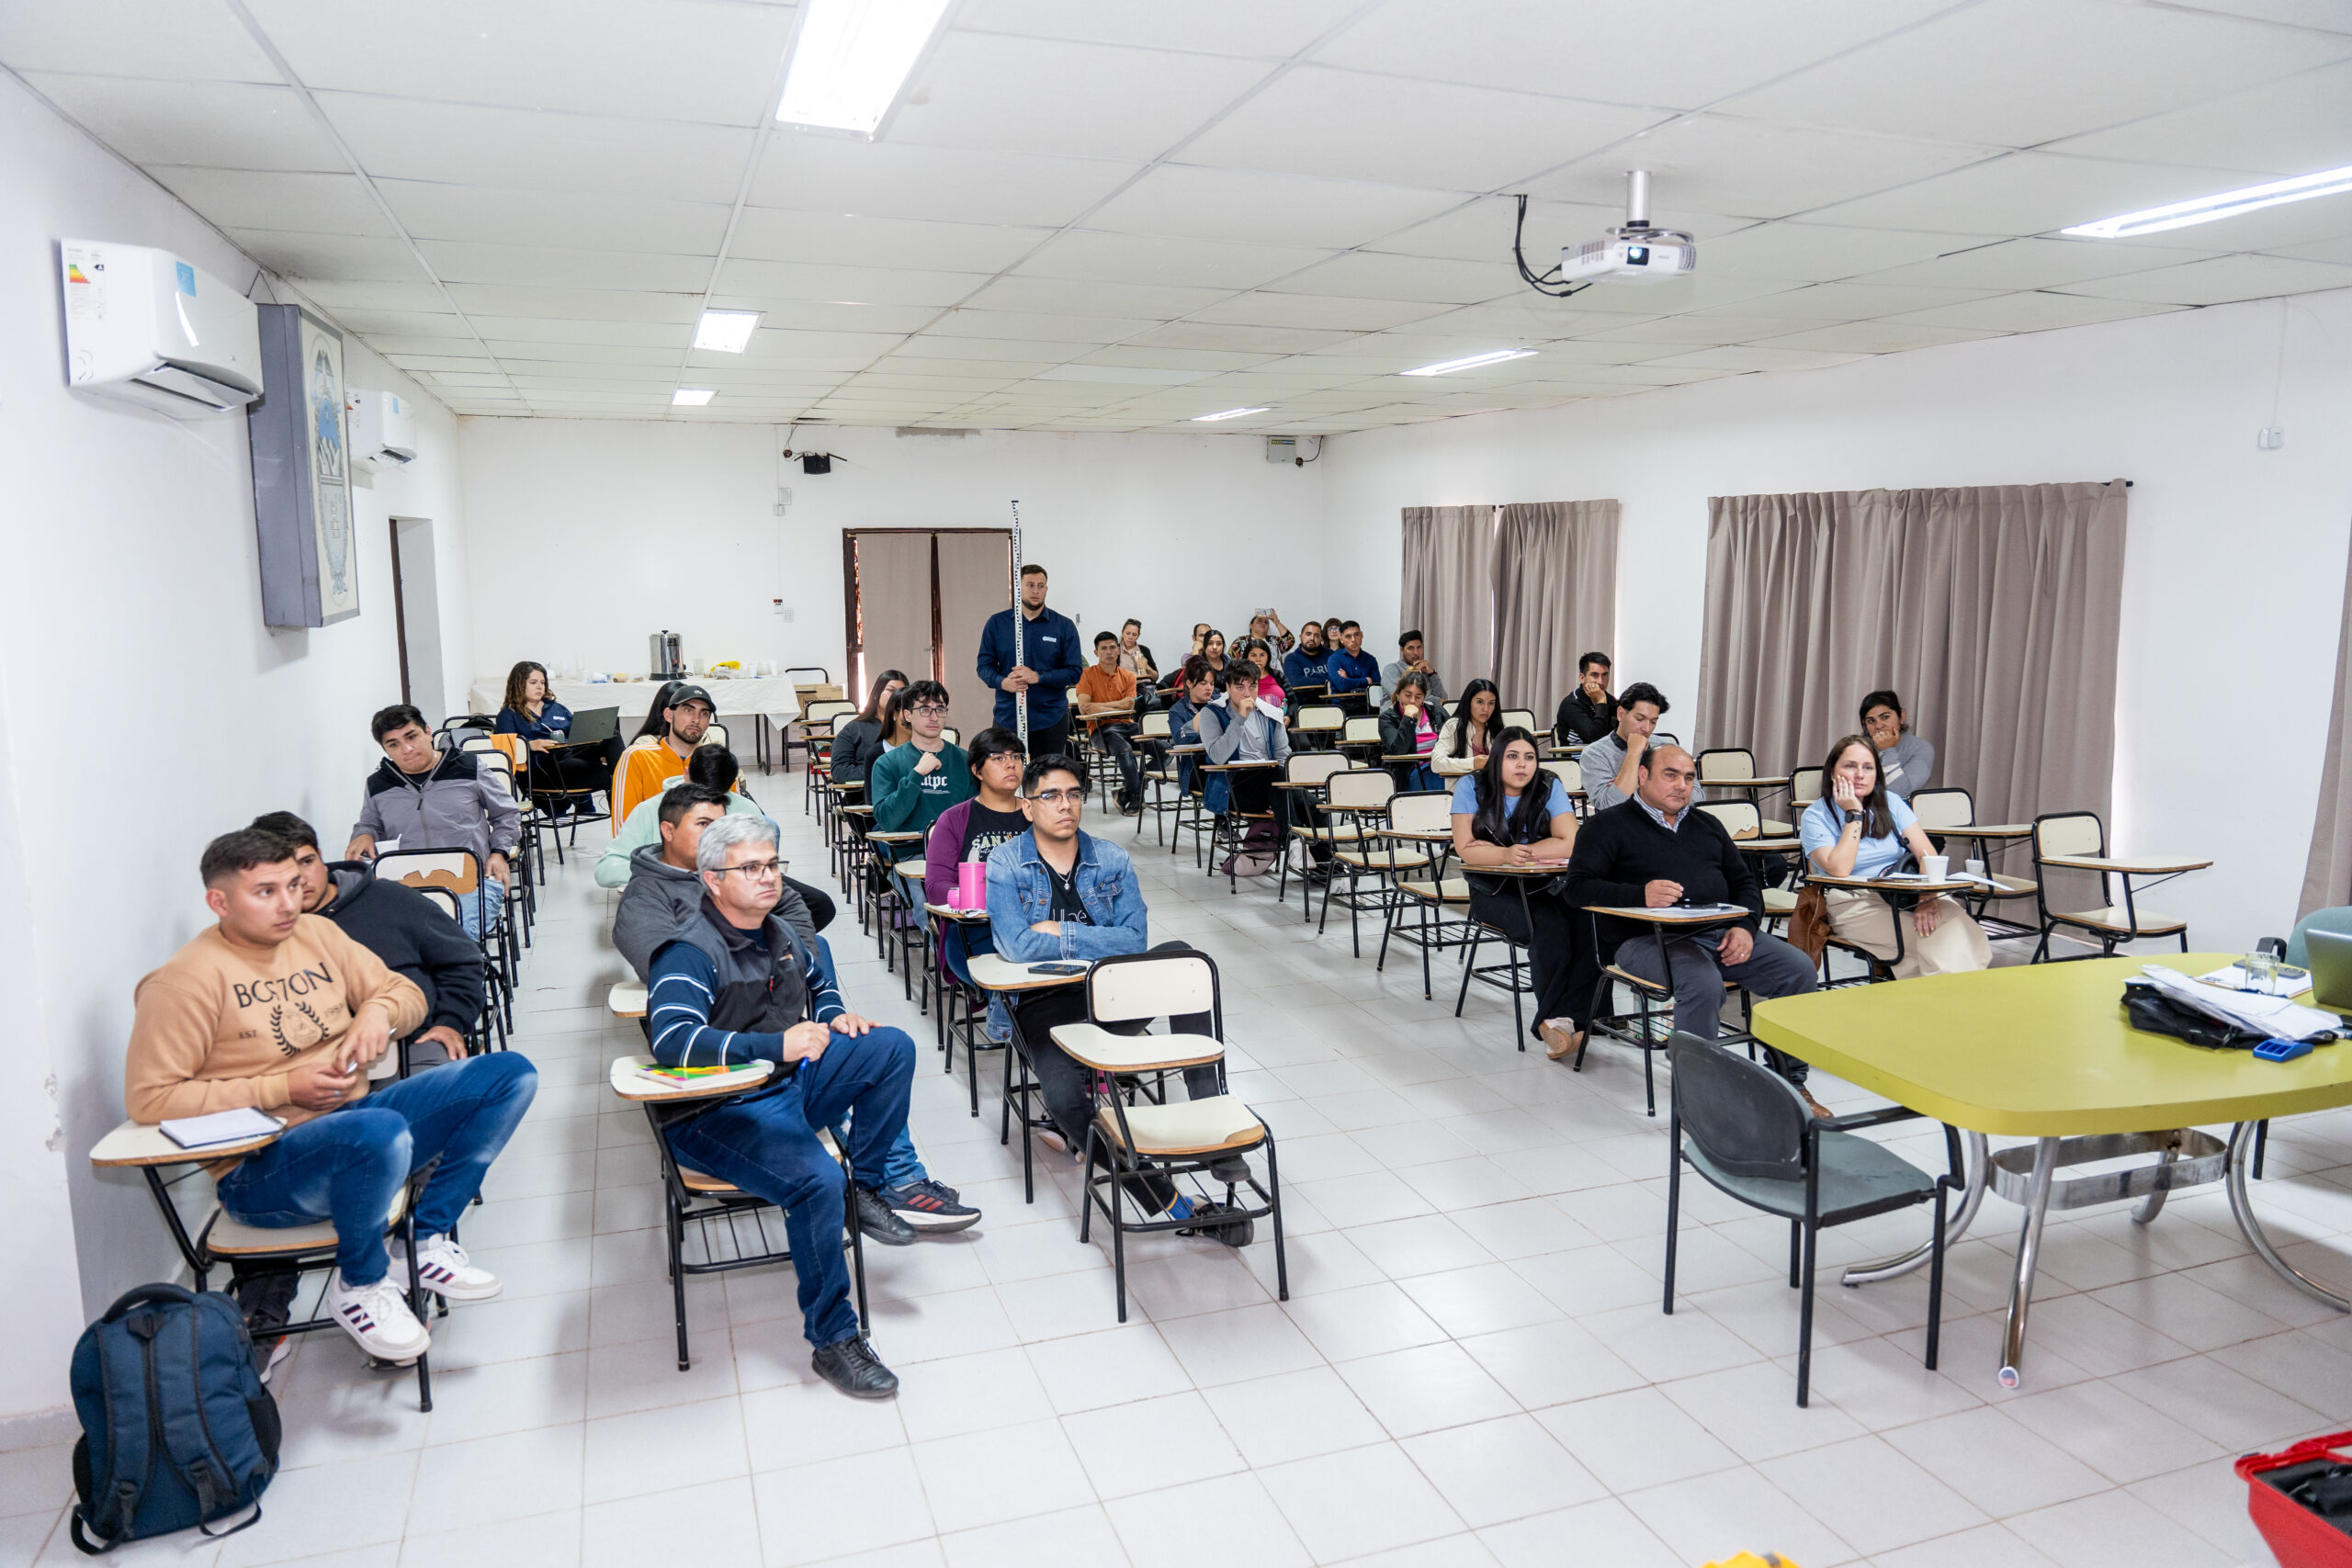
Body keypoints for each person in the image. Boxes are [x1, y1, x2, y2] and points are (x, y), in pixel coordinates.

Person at [128, 829, 537, 1362]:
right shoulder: (182, 982)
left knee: (508, 1074)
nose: (288, 903)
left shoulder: (317, 934)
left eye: (292, 885)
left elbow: (405, 992)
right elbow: (151, 1098)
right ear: (219, 902)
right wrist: (283, 1088)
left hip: (358, 1125)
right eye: (266, 891)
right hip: (261, 1169)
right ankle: (360, 1285)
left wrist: (378, 1012)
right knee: (375, 1131)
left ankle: (421, 1241)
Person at [642, 817, 914, 1397]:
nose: (768, 878)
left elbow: (821, 984)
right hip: (714, 1113)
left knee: (890, 1047)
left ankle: (863, 1188)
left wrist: (835, 1016)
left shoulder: (779, 932)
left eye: (772, 865)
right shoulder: (688, 951)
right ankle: (833, 1339)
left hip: (786, 1087)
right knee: (817, 1181)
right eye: (751, 868)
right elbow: (673, 1043)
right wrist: (773, 1047)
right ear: (713, 879)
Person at [620, 795, 970, 1235]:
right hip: (729, 1061)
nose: (720, 833)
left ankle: (886, 1179)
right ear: (669, 832)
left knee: (878, 1047)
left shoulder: (756, 876)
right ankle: (877, 1178)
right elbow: (662, 966)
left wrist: (793, 967)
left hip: (784, 1041)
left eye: (725, 823)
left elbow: (802, 927)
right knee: (823, 1079)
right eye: (704, 824)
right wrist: (750, 956)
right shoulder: (648, 895)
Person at [983, 755, 1253, 1243]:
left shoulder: (1111, 857)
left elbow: (1135, 939)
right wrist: (1094, 940)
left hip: (1113, 992)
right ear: (1027, 807)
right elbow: (1017, 946)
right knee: (1065, 1102)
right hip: (1043, 1006)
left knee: (1183, 958)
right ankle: (1168, 1201)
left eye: (1073, 794)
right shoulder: (1005, 862)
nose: (1065, 805)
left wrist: (1058, 931)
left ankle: (1212, 1116)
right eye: (1050, 796)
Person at [1564, 744, 1824, 1106]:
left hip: (1717, 933)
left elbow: (1746, 885)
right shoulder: (1606, 826)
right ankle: (1698, 1098)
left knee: (1798, 970)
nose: (1681, 785)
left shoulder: (1707, 825)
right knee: (1703, 984)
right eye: (1670, 775)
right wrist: (1639, 894)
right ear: (1643, 776)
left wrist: (1746, 927)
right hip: (1643, 940)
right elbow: (1576, 889)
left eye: (1688, 778)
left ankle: (1789, 1085)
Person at [253, 812, 484, 1073]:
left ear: (320, 856)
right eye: (283, 871)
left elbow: (462, 961)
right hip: (317, 1062)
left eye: (307, 862)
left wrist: (450, 1023)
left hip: (413, 1046)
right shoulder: (265, 932)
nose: (301, 879)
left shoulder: (390, 898)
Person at [1451, 729, 1591, 1059]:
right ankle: (1557, 1022)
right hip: (1493, 890)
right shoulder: (1471, 786)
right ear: (1497, 758)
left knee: (1589, 920)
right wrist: (1504, 855)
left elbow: (1572, 841)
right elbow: (1466, 849)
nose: (1522, 765)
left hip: (1544, 884)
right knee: (1549, 927)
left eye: (1529, 757)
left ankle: (1583, 1017)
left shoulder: (1548, 784)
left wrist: (1517, 852)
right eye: (1512, 756)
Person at [1801, 733, 1989, 977]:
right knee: (1947, 935)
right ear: (1832, 772)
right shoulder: (1815, 816)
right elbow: (1840, 869)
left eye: (1868, 767)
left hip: (1905, 891)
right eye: (1850, 766)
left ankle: (1938, 993)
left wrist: (1927, 897)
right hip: (1854, 901)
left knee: (1958, 925)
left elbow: (1927, 854)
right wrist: (1854, 815)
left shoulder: (1891, 802)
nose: (1860, 774)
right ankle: (1961, 993)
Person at [596, 746, 832, 931]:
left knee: (819, 906)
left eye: (717, 797)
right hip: (682, 891)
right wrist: (667, 871)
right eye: (699, 796)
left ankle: (763, 950)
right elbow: (606, 870)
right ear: (686, 774)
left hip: (737, 887)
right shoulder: (650, 810)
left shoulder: (745, 808)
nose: (708, 804)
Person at [348, 704, 521, 941]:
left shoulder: (468, 768)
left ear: (428, 732)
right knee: (385, 942)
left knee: (455, 938)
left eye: (412, 737)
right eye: (393, 744)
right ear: (385, 749)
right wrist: (364, 834)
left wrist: (499, 853)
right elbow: (369, 824)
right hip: (405, 887)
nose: (407, 749)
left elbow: (506, 814)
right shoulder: (378, 785)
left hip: (472, 882)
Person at [614, 785, 819, 976]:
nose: (715, 836)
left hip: (775, 984)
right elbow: (669, 967)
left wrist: (798, 962)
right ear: (668, 831)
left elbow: (790, 904)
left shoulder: (730, 866)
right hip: (717, 997)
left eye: (720, 826)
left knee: (820, 946)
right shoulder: (643, 896)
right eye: (703, 824)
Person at [922, 728, 1030, 1038]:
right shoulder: (954, 819)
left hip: (1035, 926)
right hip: (973, 933)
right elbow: (936, 888)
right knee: (1018, 964)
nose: (1011, 764)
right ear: (977, 770)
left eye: (1016, 757)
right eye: (998, 758)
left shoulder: (1037, 813)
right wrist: (992, 897)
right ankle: (1018, 1030)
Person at [1196, 660, 1295, 874]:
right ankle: (1292, 842)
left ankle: (1327, 873)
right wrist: (1240, 719)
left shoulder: (1270, 713)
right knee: (1275, 775)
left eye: (1253, 686)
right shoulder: (1212, 713)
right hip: (1233, 788)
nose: (1247, 693)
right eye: (1240, 687)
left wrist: (1279, 794)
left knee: (1313, 806)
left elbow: (1284, 756)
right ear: (1228, 688)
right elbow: (1218, 756)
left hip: (1272, 786)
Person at [976, 562, 1083, 759]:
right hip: (1008, 717)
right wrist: (1003, 682)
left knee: (1047, 774)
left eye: (1040, 586)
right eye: (1030, 585)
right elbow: (984, 667)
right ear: (1019, 587)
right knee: (1006, 773)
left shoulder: (1064, 626)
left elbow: (1074, 672)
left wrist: (1038, 677)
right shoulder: (997, 623)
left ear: (1046, 589)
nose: (1036, 591)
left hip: (1050, 719)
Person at [494, 660, 618, 815]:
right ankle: (600, 795)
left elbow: (578, 735)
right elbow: (505, 750)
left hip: (569, 757)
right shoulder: (508, 714)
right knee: (607, 775)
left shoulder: (555, 708)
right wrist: (529, 744)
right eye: (533, 682)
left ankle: (623, 784)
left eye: (542, 683)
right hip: (542, 769)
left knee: (612, 735)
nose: (540, 687)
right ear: (518, 684)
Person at [868, 681, 972, 863]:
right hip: (912, 854)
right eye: (925, 710)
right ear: (907, 715)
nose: (934, 717)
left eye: (940, 709)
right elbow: (887, 821)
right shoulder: (887, 763)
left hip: (960, 854)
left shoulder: (965, 760)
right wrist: (916, 775)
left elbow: (976, 814)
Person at [614, 682, 720, 824]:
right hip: (651, 838)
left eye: (704, 714)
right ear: (669, 715)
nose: (696, 719)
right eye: (688, 710)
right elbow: (625, 825)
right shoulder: (637, 757)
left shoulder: (716, 763)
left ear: (708, 723)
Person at [1074, 630, 1144, 813]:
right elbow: (1085, 708)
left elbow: (1129, 706)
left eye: (1112, 647)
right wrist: (1118, 705)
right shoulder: (1086, 675)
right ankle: (1136, 797)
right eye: (1103, 648)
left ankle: (1132, 789)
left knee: (1164, 750)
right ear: (1096, 652)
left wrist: (1101, 706)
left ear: (1118, 649)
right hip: (1100, 730)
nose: (1109, 652)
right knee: (1124, 749)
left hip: (1128, 726)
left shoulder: (1128, 676)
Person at [1579, 682, 1668, 814]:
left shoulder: (1666, 747)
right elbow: (1611, 806)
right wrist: (1633, 753)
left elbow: (1695, 796)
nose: (1647, 728)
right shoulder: (1594, 754)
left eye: (1653, 722)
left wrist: (1634, 786)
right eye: (1640, 719)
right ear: (1621, 714)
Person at [829, 670, 908, 785]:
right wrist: (880, 771)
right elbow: (839, 771)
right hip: (866, 792)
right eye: (891, 690)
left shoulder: (912, 728)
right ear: (876, 693)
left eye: (901, 692)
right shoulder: (854, 729)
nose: (896, 696)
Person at [1860, 689, 1935, 799]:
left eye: (1885, 717)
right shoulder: (1856, 748)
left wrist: (1887, 750)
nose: (1878, 726)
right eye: (1871, 721)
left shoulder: (1921, 748)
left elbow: (1898, 794)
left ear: (1901, 716)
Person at [1379, 673, 1447, 791]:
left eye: (1418, 697)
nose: (1412, 701)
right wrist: (1408, 718)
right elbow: (1399, 750)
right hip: (1411, 772)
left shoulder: (1436, 711)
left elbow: (1454, 736)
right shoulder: (1387, 718)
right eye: (1408, 695)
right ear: (1398, 694)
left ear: (1424, 697)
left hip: (1440, 766)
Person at [1165, 656, 1219, 800]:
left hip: (1221, 761)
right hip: (1195, 767)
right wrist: (1201, 717)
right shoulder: (1177, 711)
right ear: (1189, 683)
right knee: (1225, 781)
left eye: (1212, 683)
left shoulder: (1219, 702)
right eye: (1203, 683)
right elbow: (1180, 741)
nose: (1209, 688)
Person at [1432, 678, 1504, 778]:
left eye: (1491, 703)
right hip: (1461, 786)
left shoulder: (1497, 729)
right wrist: (1472, 763)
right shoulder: (1453, 726)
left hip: (1494, 787)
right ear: (1468, 702)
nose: (1486, 709)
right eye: (1480, 702)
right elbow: (1436, 763)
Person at [1554, 653, 1615, 747]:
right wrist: (1601, 702)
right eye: (1594, 675)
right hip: (1578, 754)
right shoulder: (1571, 704)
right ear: (1582, 678)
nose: (1600, 681)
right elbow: (1596, 737)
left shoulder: (1610, 700)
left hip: (1606, 753)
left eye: (1605, 675)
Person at [1325, 621, 1381, 714]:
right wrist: (1366, 681)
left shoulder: (1370, 659)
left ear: (1362, 635)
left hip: (1367, 706)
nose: (1353, 639)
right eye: (1348, 636)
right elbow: (1342, 686)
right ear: (1341, 639)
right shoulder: (1334, 659)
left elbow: (1376, 687)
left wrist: (1348, 680)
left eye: (1357, 635)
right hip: (1342, 708)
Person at [1381, 631, 1450, 705]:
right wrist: (1437, 701)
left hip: (1426, 712)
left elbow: (1444, 699)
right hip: (1398, 712)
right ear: (1402, 650)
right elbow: (1404, 697)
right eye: (1411, 648)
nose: (1416, 652)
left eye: (1419, 647)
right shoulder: (1392, 669)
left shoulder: (1425, 671)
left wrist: (1432, 674)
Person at [1237, 637, 1287, 713]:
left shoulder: (1278, 675)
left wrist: (1288, 716)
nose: (1258, 659)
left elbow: (1293, 703)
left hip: (1280, 717)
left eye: (1262, 655)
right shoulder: (1239, 678)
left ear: (1268, 656)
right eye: (1253, 655)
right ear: (1246, 657)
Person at [1282, 619, 1331, 694]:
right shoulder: (1291, 659)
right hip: (1305, 700)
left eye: (1316, 636)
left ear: (1321, 639)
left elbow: (1340, 679)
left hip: (1332, 700)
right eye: (1308, 634)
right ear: (1300, 637)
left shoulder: (1331, 655)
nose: (1312, 638)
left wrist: (1308, 680)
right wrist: (1327, 681)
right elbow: (1296, 682)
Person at [1116, 619, 1159, 690]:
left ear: (1138, 636)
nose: (1130, 637)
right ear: (1122, 632)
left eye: (1134, 635)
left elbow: (1155, 677)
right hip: (1124, 687)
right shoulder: (1115, 650)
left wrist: (1146, 666)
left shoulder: (1144, 650)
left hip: (1145, 686)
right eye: (1128, 633)